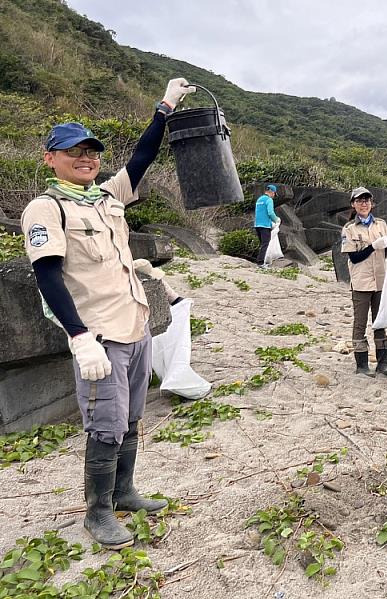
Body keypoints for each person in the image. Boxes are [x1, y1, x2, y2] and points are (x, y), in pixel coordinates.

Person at [21, 78, 196, 549]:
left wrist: (165, 107)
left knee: (132, 416)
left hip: (135, 326)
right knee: (106, 424)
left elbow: (140, 159)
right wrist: (78, 337)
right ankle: (96, 512)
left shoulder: (105, 196)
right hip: (98, 336)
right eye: (73, 150)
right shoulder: (46, 207)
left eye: (92, 151)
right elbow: (48, 276)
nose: (86, 157)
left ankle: (123, 492)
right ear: (50, 158)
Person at [340, 187, 387, 377]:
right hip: (361, 283)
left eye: (367, 200)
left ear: (372, 203)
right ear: (353, 204)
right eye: (360, 200)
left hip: (380, 282)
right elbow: (354, 257)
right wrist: (372, 247)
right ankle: (362, 365)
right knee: (360, 324)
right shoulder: (349, 229)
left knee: (380, 322)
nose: (364, 204)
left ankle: (383, 364)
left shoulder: (381, 225)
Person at [255, 184, 281, 267]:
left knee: (262, 244)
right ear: (272, 192)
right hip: (265, 225)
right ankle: (260, 263)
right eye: (274, 194)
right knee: (265, 243)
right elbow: (270, 213)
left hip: (257, 224)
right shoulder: (269, 200)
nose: (273, 196)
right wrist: (276, 219)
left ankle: (261, 261)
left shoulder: (259, 199)